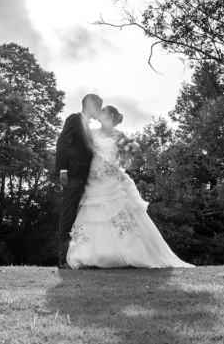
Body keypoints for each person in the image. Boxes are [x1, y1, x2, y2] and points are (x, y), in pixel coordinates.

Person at [66, 105, 193, 269]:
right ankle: (89, 255)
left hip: (112, 177)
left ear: (111, 115)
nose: (100, 113)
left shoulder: (120, 136)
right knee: (92, 213)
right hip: (94, 177)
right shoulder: (91, 133)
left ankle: (127, 253)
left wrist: (128, 156)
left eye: (104, 111)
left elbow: (126, 161)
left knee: (119, 211)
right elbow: (82, 152)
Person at [54, 94, 102, 269]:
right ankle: (62, 260)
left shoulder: (87, 127)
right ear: (89, 105)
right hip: (72, 175)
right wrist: (63, 170)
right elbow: (62, 142)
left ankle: (76, 257)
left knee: (78, 218)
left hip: (84, 178)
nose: (99, 111)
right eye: (98, 106)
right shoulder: (75, 119)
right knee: (68, 215)